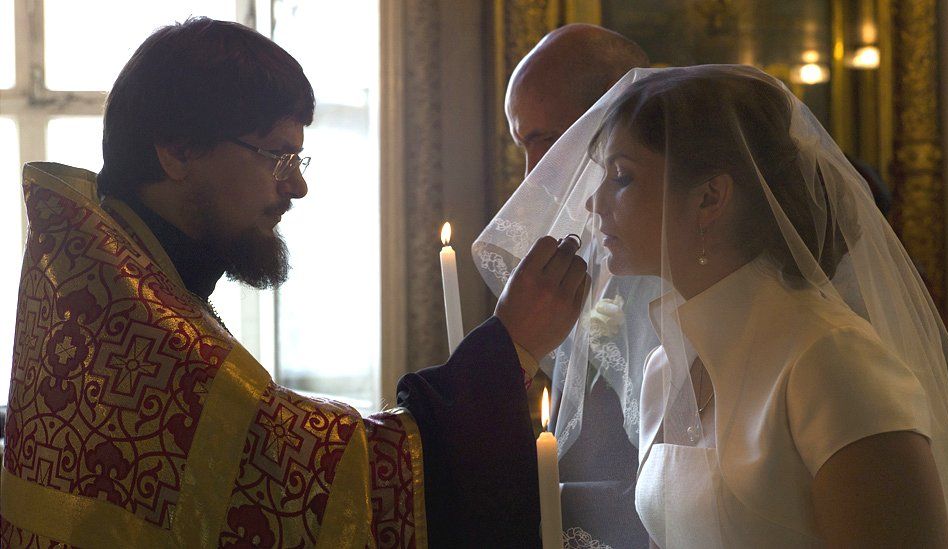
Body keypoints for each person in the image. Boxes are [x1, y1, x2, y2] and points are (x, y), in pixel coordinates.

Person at [0, 18, 588, 548]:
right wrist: (507, 346)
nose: (296, 187)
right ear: (178, 151)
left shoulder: (122, 281)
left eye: (298, 161)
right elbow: (320, 478)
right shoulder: (123, 322)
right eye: (277, 156)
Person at [475, 65, 948, 546]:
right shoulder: (664, 366)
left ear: (710, 197)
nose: (594, 203)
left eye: (622, 177)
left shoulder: (832, 361)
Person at [502, 23, 653, 547]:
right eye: (522, 144)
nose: (530, 172)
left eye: (542, 139)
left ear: (610, 117)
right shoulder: (588, 252)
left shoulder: (679, 264)